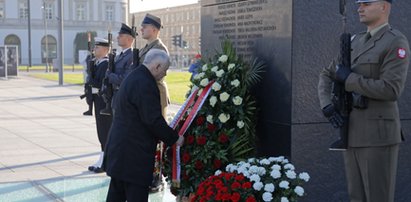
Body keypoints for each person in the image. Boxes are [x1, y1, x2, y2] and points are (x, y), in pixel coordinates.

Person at [318, 0, 409, 201]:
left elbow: (391, 89)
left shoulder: (395, 42)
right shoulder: (354, 41)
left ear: (384, 7)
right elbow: (327, 73)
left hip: (378, 136)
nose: (360, 8)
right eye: (359, 4)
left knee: (378, 197)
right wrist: (326, 104)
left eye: (367, 3)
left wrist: (349, 79)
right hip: (351, 132)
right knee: (356, 197)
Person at [104, 49, 184, 202]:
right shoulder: (145, 83)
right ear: (157, 66)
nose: (165, 74)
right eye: (165, 70)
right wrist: (174, 138)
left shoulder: (135, 75)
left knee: (116, 195)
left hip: (121, 152)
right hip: (134, 157)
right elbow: (152, 120)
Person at [138, 13, 170, 192]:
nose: (142, 29)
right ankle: (148, 173)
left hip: (156, 95)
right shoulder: (146, 48)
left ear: (155, 29)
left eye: (145, 26)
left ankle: (157, 176)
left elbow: (158, 73)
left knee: (156, 135)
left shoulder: (159, 48)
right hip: (146, 95)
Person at [86, 37, 112, 173]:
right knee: (101, 131)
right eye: (94, 47)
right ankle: (102, 158)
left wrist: (91, 85)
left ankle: (105, 160)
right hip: (97, 100)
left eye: (97, 47)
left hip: (103, 101)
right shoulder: (97, 63)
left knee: (105, 131)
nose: (94, 49)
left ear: (106, 50)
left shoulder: (105, 64)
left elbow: (99, 82)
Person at [104, 23, 135, 112]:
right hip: (116, 97)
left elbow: (125, 79)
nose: (117, 37)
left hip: (124, 98)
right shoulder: (119, 56)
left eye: (121, 36)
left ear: (129, 39)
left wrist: (109, 75)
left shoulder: (131, 56)